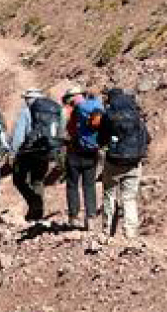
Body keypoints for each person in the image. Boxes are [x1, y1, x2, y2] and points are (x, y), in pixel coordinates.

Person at [99, 87, 151, 239]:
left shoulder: (108, 115)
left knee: (110, 195)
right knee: (129, 198)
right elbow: (147, 138)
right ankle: (130, 233)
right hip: (134, 162)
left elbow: (101, 139)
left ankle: (108, 231)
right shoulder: (136, 115)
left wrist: (107, 146)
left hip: (114, 161)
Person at [9, 87, 64, 222]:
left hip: (28, 151)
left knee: (18, 180)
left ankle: (34, 204)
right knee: (37, 180)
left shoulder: (26, 112)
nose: (25, 101)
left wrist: (13, 152)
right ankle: (37, 212)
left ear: (30, 99)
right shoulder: (54, 111)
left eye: (26, 99)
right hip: (45, 149)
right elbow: (59, 131)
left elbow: (19, 134)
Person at [63, 85, 102, 230]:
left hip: (75, 152)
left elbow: (70, 130)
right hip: (92, 152)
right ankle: (91, 217)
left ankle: (74, 217)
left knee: (73, 184)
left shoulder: (75, 111)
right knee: (89, 185)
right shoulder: (95, 107)